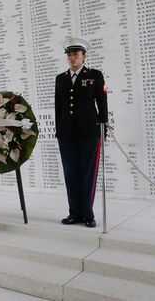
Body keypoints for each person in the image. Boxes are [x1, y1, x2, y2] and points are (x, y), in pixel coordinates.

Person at [55, 37, 108, 228]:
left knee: (87, 173)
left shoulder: (94, 75)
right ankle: (74, 213)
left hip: (89, 133)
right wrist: (58, 130)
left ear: (84, 56)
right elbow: (58, 107)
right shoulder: (60, 78)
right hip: (66, 134)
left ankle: (88, 214)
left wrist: (104, 129)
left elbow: (102, 103)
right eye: (69, 55)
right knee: (71, 173)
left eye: (75, 54)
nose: (71, 58)